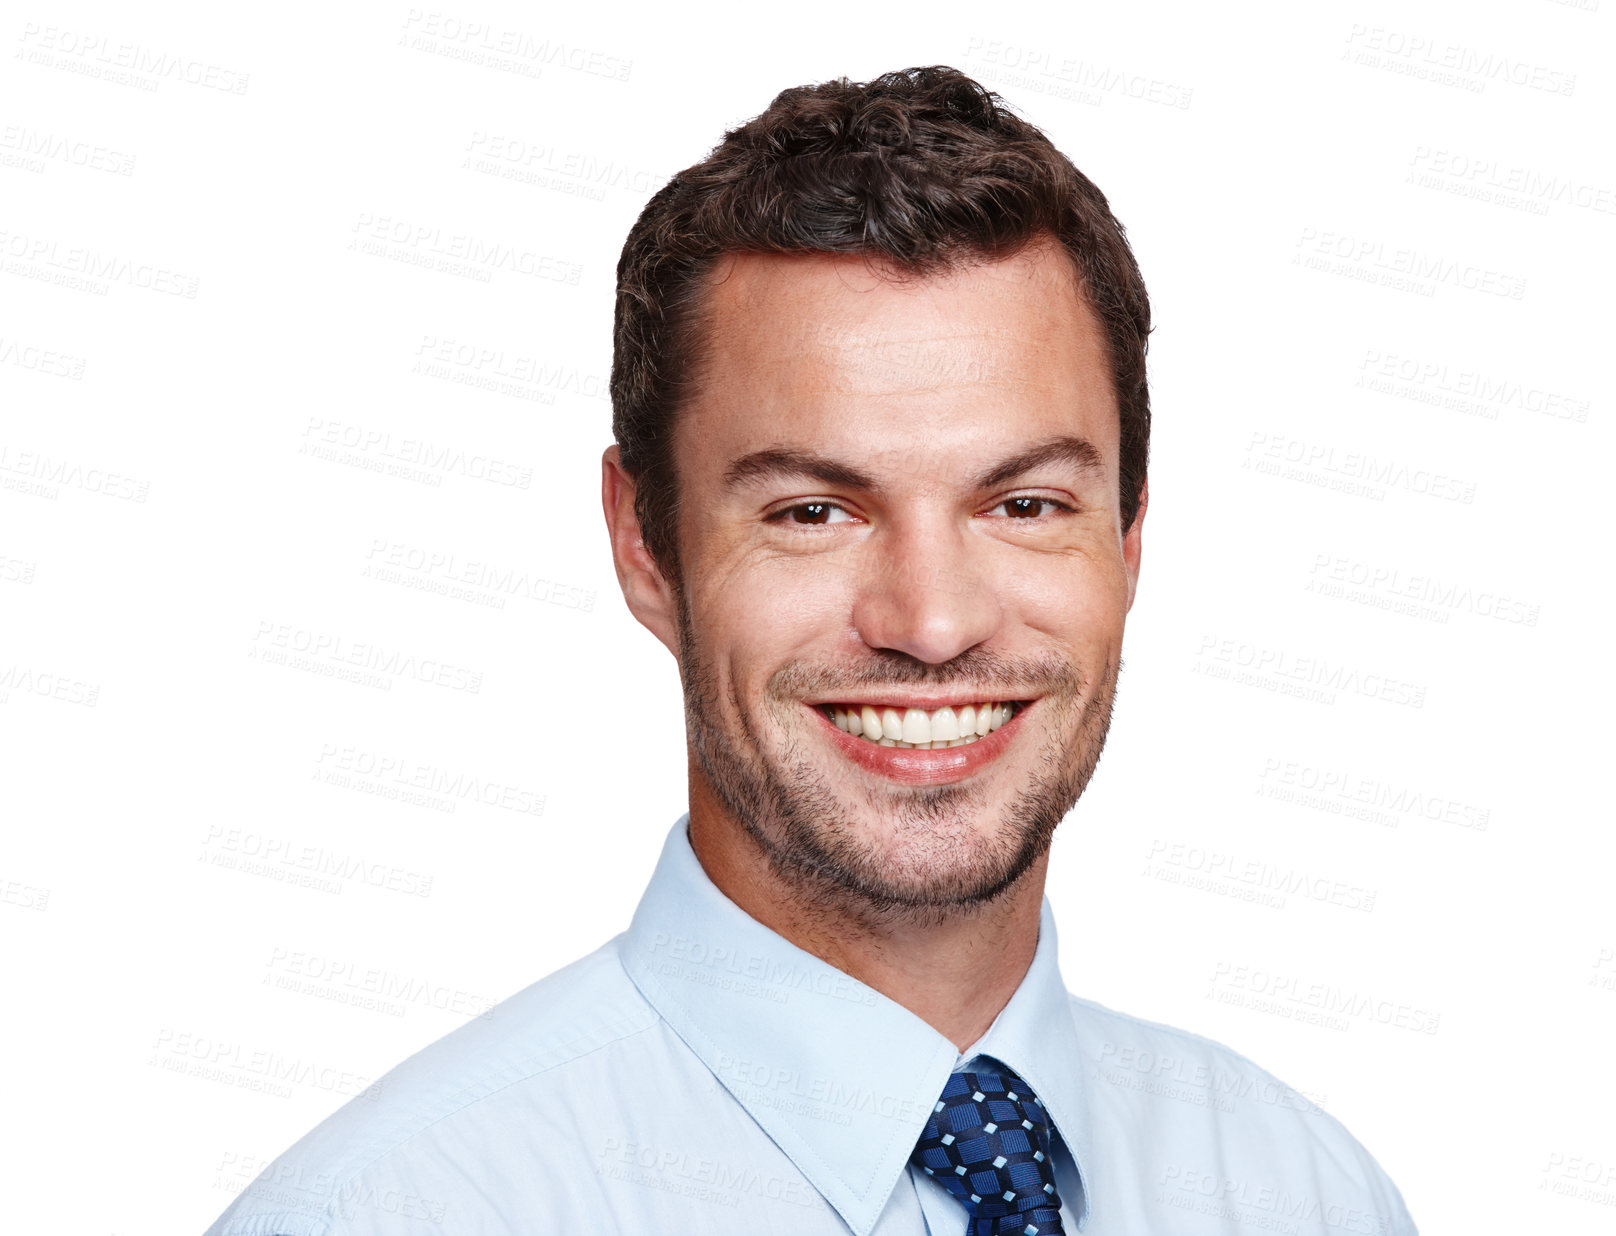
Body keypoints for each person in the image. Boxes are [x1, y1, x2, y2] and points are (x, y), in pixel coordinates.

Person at [204, 65, 1417, 1236]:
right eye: (811, 513)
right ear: (645, 544)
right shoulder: (392, 1214)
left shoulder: (1300, 1193)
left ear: (1128, 534)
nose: (932, 624)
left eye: (1025, 504)